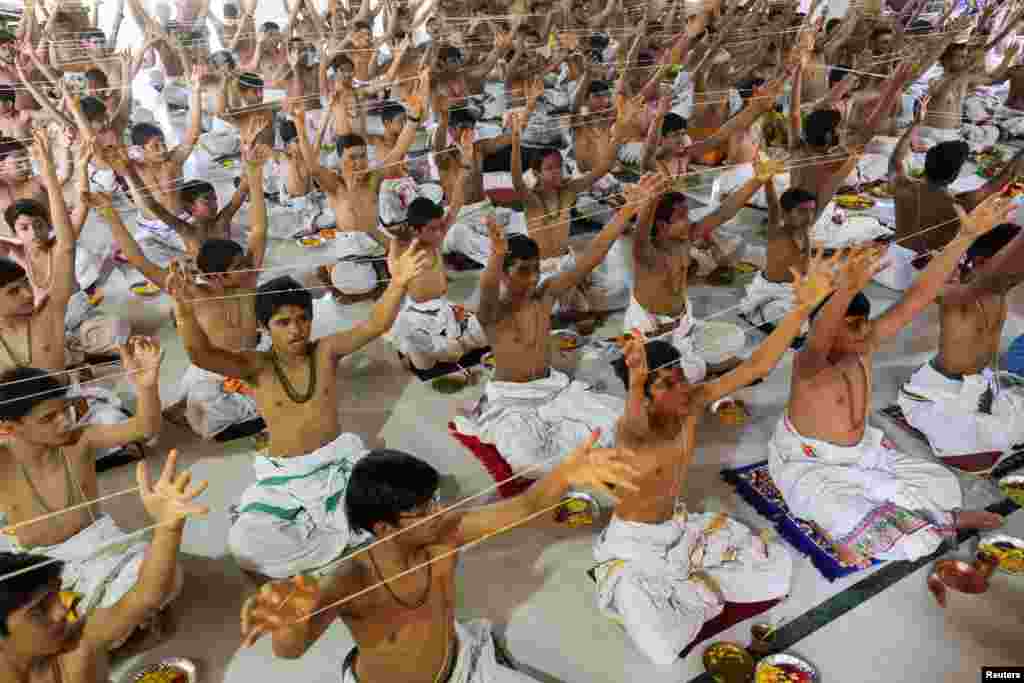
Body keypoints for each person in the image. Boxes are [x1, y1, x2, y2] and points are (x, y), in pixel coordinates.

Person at [600, 247, 844, 666]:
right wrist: (638, 376)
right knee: (662, 650)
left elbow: (755, 366)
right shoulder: (634, 431)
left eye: (678, 376)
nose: (679, 387)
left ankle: (690, 583)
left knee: (777, 571)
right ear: (640, 395)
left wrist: (802, 308)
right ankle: (684, 587)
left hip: (677, 527)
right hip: (636, 544)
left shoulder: (691, 402)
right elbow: (633, 421)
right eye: (664, 384)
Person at [239, 432, 640, 683]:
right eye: (425, 509)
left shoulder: (445, 534)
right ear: (383, 527)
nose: (442, 513)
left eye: (436, 501)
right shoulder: (353, 578)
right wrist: (288, 626)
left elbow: (525, 506)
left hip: (463, 664)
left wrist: (567, 474)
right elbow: (291, 649)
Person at [769, 195, 1015, 568]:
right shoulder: (810, 365)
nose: (864, 330)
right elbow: (820, 333)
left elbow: (919, 296)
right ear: (830, 328)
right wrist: (846, 289)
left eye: (864, 322)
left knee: (942, 486)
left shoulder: (864, 342)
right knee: (860, 522)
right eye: (851, 324)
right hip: (813, 467)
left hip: (866, 458)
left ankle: (938, 517)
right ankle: (937, 525)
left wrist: (964, 237)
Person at [166, 240, 429, 580]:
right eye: (283, 322)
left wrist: (398, 282)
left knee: (418, 490)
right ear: (265, 327)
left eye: (302, 319)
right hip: (286, 478)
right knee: (246, 545)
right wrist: (184, 311)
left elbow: (374, 325)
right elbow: (200, 354)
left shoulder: (326, 351)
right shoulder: (255, 366)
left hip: (340, 466)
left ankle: (331, 531)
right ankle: (341, 531)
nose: (295, 330)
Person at [462, 180, 659, 475]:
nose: (532, 278)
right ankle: (574, 463)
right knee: (527, 464)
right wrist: (496, 256)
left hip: (553, 388)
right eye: (523, 271)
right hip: (511, 401)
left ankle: (576, 455)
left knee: (625, 423)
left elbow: (592, 256)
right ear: (504, 274)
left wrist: (628, 209)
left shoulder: (545, 294)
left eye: (536, 269)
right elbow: (487, 288)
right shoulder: (493, 312)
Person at [93, 143, 271, 441]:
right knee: (205, 410)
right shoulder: (192, 292)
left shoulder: (248, 281)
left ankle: (222, 409)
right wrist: (111, 216)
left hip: (253, 359)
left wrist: (253, 172)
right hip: (214, 367)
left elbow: (260, 231)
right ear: (216, 275)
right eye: (239, 266)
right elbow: (138, 260)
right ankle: (203, 409)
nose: (248, 269)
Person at [0, 338, 168, 651]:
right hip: (39, 567)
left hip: (101, 550)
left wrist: (146, 385)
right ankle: (115, 628)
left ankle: (99, 634)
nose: (64, 421)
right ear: (10, 428)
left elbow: (144, 427)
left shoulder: (82, 440)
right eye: (48, 418)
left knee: (162, 573)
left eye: (64, 411)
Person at [0, 450, 208, 680]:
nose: (63, 612)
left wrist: (167, 528)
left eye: (55, 596)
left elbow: (144, 597)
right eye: (38, 610)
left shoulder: (77, 645)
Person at [627, 160, 784, 375]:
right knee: (670, 372)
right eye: (682, 217)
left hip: (683, 326)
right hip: (649, 333)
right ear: (663, 226)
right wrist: (647, 203)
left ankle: (693, 359)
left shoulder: (685, 240)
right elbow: (640, 236)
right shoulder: (648, 255)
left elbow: (724, 212)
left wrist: (758, 179)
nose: (689, 219)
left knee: (735, 336)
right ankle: (704, 367)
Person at [899, 223, 1024, 461]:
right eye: (1014, 272)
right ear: (981, 263)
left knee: (1005, 428)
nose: (1018, 279)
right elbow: (928, 290)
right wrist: (955, 251)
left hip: (980, 384)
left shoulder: (1000, 292)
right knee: (972, 442)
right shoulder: (958, 294)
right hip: (939, 390)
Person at [389, 196, 492, 372]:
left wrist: (462, 177)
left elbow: (453, 211)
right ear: (415, 230)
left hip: (445, 310)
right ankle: (419, 351)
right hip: (418, 317)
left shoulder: (435, 239)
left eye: (439, 228)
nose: (439, 233)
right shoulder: (403, 250)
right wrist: (396, 240)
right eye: (432, 229)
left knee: (487, 332)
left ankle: (447, 347)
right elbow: (395, 268)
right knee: (427, 363)